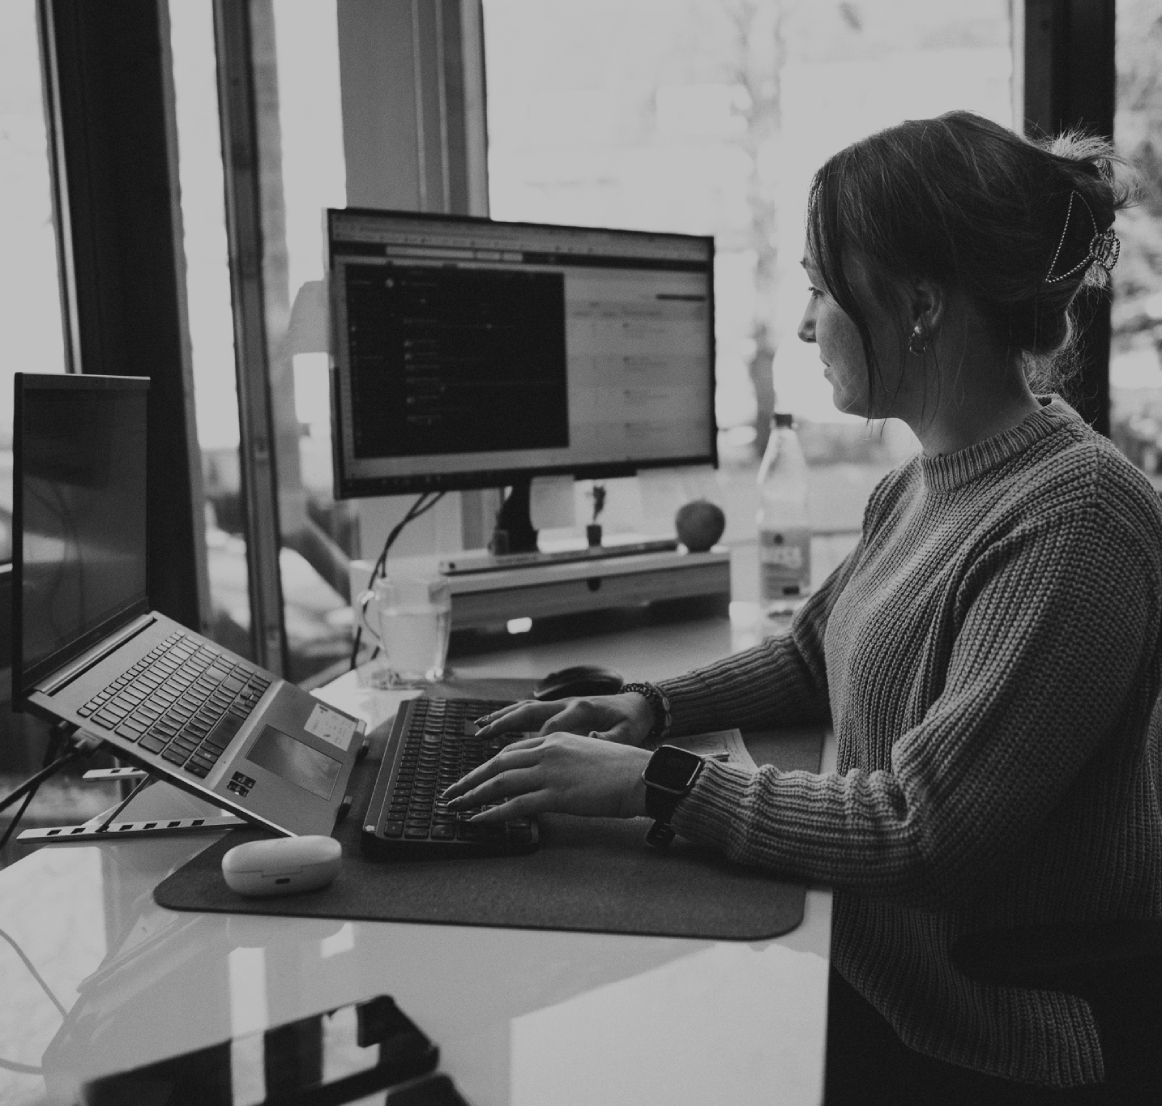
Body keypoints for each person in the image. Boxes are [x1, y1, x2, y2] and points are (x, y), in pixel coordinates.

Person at [443, 111, 1162, 1103]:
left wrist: (653, 783)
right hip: (859, 961)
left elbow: (924, 830)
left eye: (820, 288)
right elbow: (810, 655)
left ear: (917, 303)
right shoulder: (922, 481)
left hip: (979, 1033)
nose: (799, 323)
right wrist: (645, 710)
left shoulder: (1073, 522)